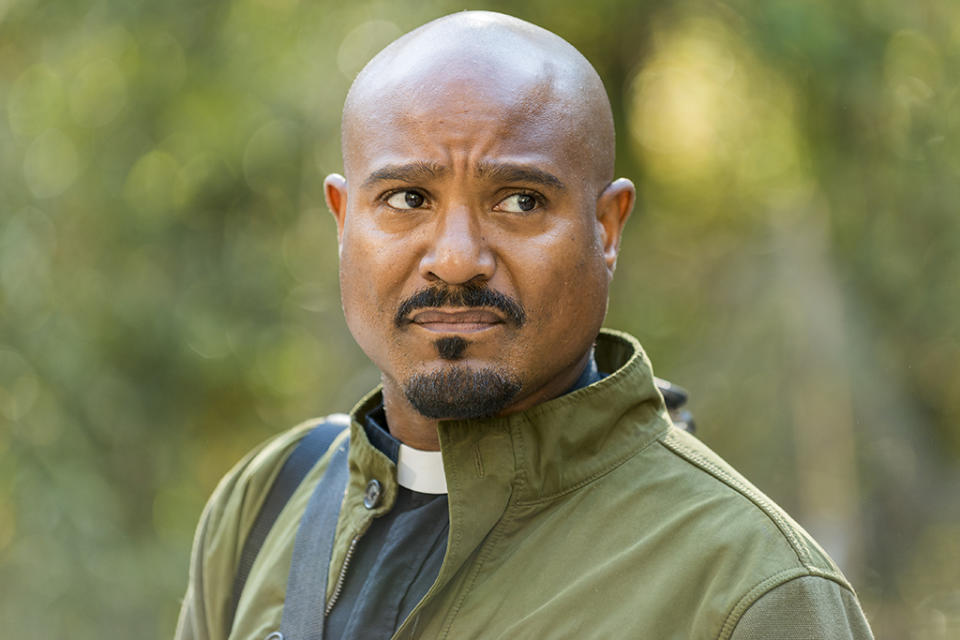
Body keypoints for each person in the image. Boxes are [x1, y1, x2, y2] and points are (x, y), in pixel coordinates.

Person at [176, 11, 874, 640]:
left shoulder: (744, 590)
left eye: (519, 200)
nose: (455, 259)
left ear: (606, 227)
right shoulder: (271, 501)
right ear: (343, 221)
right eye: (407, 197)